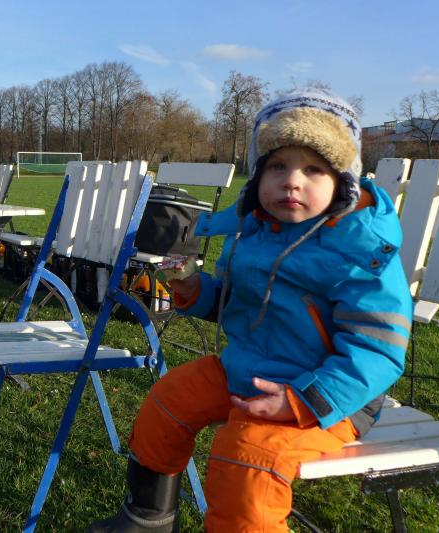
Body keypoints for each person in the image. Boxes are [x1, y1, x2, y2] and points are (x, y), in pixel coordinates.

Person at [87, 88, 413, 532]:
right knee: (169, 399)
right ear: (258, 174)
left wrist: (303, 401)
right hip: (247, 369)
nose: (291, 180)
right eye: (277, 166)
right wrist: (197, 290)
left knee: (248, 455)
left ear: (343, 182)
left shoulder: (360, 251)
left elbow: (379, 350)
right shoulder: (255, 232)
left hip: (329, 395)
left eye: (313, 169)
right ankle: (147, 518)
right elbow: (238, 304)